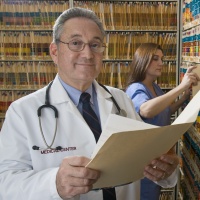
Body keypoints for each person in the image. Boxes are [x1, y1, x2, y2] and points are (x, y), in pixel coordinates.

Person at [0, 8, 179, 200]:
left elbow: (143, 160)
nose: (87, 54)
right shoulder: (22, 111)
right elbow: (5, 184)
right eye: (76, 43)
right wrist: (54, 184)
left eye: (95, 45)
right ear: (54, 51)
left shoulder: (120, 100)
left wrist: (166, 172)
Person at [125, 43, 200, 200]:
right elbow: (146, 110)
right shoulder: (136, 88)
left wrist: (184, 98)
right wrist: (181, 87)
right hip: (144, 162)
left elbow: (164, 111)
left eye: (162, 59)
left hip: (158, 158)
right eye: (155, 59)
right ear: (142, 61)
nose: (161, 63)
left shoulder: (154, 87)